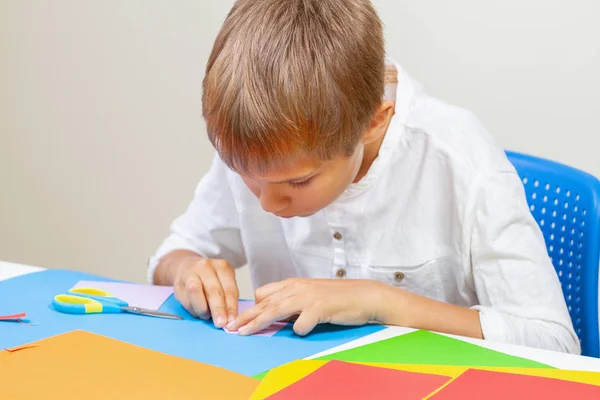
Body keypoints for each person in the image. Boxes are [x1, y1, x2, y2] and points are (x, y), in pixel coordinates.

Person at [148, 0, 579, 354]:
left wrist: (378, 301)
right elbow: (175, 254)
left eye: (298, 183)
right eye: (246, 176)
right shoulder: (263, 153)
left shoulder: (457, 156)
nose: (266, 204)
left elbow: (554, 342)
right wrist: (188, 269)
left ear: (374, 122)